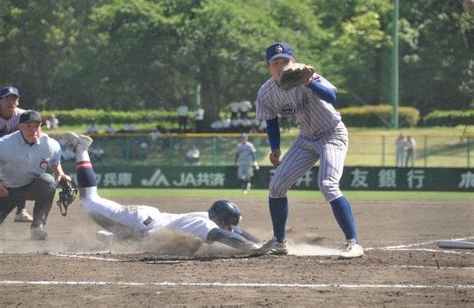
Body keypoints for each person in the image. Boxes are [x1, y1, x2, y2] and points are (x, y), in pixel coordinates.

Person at [61, 131, 267, 255]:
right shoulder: (205, 224)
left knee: (145, 241)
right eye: (228, 222)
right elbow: (224, 235)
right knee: (89, 199)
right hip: (138, 220)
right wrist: (254, 248)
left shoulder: (208, 217)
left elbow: (235, 231)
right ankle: (81, 148)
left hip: (148, 221)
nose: (230, 227)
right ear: (219, 219)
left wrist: (262, 242)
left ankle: (113, 238)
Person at [255, 42, 363, 258]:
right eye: (276, 62)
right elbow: (271, 123)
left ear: (292, 62)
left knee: (328, 184)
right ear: (268, 67)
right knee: (276, 186)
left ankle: (354, 243)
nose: (281, 65)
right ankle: (279, 242)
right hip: (306, 139)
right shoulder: (266, 93)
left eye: (285, 61)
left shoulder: (306, 75)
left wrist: (309, 82)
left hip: (332, 134)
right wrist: (275, 148)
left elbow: (332, 97)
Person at [0, 110, 71, 240]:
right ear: (20, 126)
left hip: (31, 187)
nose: (33, 130)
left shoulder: (50, 144)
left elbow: (54, 161)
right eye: (29, 126)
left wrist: (60, 174)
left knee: (48, 181)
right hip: (6, 191)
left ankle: (38, 227)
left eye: (37, 126)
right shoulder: (4, 144)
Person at [0, 85, 33, 222]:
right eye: (7, 98)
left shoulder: (23, 115)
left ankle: (21, 211)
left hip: (13, 152)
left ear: (18, 101)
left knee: (23, 170)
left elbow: (34, 133)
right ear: (0, 101)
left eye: (14, 99)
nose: (11, 102)